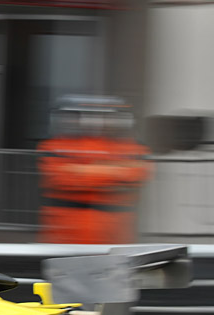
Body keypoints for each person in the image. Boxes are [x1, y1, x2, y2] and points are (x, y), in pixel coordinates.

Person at [38, 95, 151, 244]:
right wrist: (114, 170)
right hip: (66, 232)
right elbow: (60, 177)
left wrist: (83, 170)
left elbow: (136, 174)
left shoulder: (134, 149)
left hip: (115, 233)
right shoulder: (52, 147)